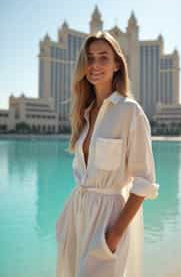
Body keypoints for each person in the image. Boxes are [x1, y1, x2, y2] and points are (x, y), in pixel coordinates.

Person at [56, 31, 159, 277]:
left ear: (117, 65)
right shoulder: (85, 112)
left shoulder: (130, 112)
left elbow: (144, 182)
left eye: (103, 57)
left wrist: (114, 235)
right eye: (90, 58)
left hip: (107, 221)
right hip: (78, 216)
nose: (95, 65)